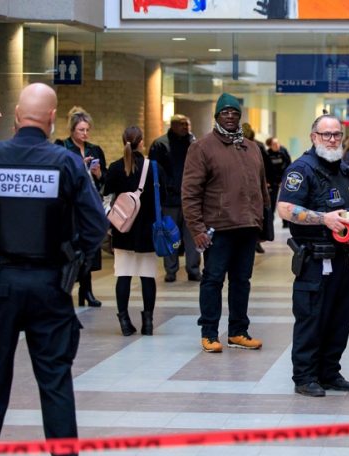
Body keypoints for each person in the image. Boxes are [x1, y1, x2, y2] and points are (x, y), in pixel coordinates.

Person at [0, 83, 109, 456]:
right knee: (55, 382)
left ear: (15, 115)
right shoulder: (65, 162)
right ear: (51, 118)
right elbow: (96, 226)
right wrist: (74, 263)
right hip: (50, 287)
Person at [276, 114, 349, 398]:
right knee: (312, 319)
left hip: (344, 260)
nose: (333, 139)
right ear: (314, 137)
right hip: (315, 260)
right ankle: (304, 376)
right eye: (326, 135)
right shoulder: (302, 169)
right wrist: (324, 219)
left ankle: (329, 372)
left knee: (340, 319)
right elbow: (286, 209)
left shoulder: (345, 170)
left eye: (337, 134)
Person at [182, 92, 269, 353]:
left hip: (247, 227)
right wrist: (196, 229)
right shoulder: (202, 147)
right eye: (225, 112)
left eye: (234, 112)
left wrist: (262, 223)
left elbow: (261, 188)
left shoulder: (252, 147)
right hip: (218, 228)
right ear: (217, 116)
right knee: (213, 280)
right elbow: (190, 192)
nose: (230, 116)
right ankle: (209, 332)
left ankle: (238, 331)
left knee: (242, 281)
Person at [104, 126, 160, 337]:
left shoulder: (116, 167)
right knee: (147, 277)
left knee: (123, 276)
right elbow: (162, 195)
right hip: (147, 232)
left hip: (123, 230)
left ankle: (125, 322)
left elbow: (107, 195)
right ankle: (148, 323)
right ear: (141, 142)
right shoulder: (154, 168)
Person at [56, 106, 107, 308]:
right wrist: (81, 167)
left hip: (90, 203)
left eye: (87, 130)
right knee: (71, 247)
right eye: (81, 130)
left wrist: (97, 173)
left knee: (89, 249)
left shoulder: (95, 149)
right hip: (70, 207)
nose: (85, 134)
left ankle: (87, 289)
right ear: (72, 130)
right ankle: (69, 286)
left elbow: (105, 179)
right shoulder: (63, 148)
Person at [148, 114, 200, 282]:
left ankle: (193, 269)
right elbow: (155, 172)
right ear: (173, 126)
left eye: (188, 124)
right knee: (170, 235)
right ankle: (171, 270)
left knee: (192, 235)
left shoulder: (194, 143)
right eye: (183, 124)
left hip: (191, 198)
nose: (186, 128)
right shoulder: (160, 144)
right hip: (169, 199)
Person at [242, 122, 272, 254]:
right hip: (257, 187)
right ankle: (256, 241)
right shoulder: (257, 146)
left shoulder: (254, 147)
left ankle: (254, 241)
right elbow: (267, 166)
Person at [265, 136, 292, 228]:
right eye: (274, 144)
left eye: (278, 143)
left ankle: (286, 222)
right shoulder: (267, 154)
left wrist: (285, 179)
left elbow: (289, 165)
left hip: (284, 180)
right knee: (272, 203)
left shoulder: (283, 151)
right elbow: (266, 169)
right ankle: (270, 223)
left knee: (285, 201)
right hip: (273, 181)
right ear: (270, 146)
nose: (277, 145)